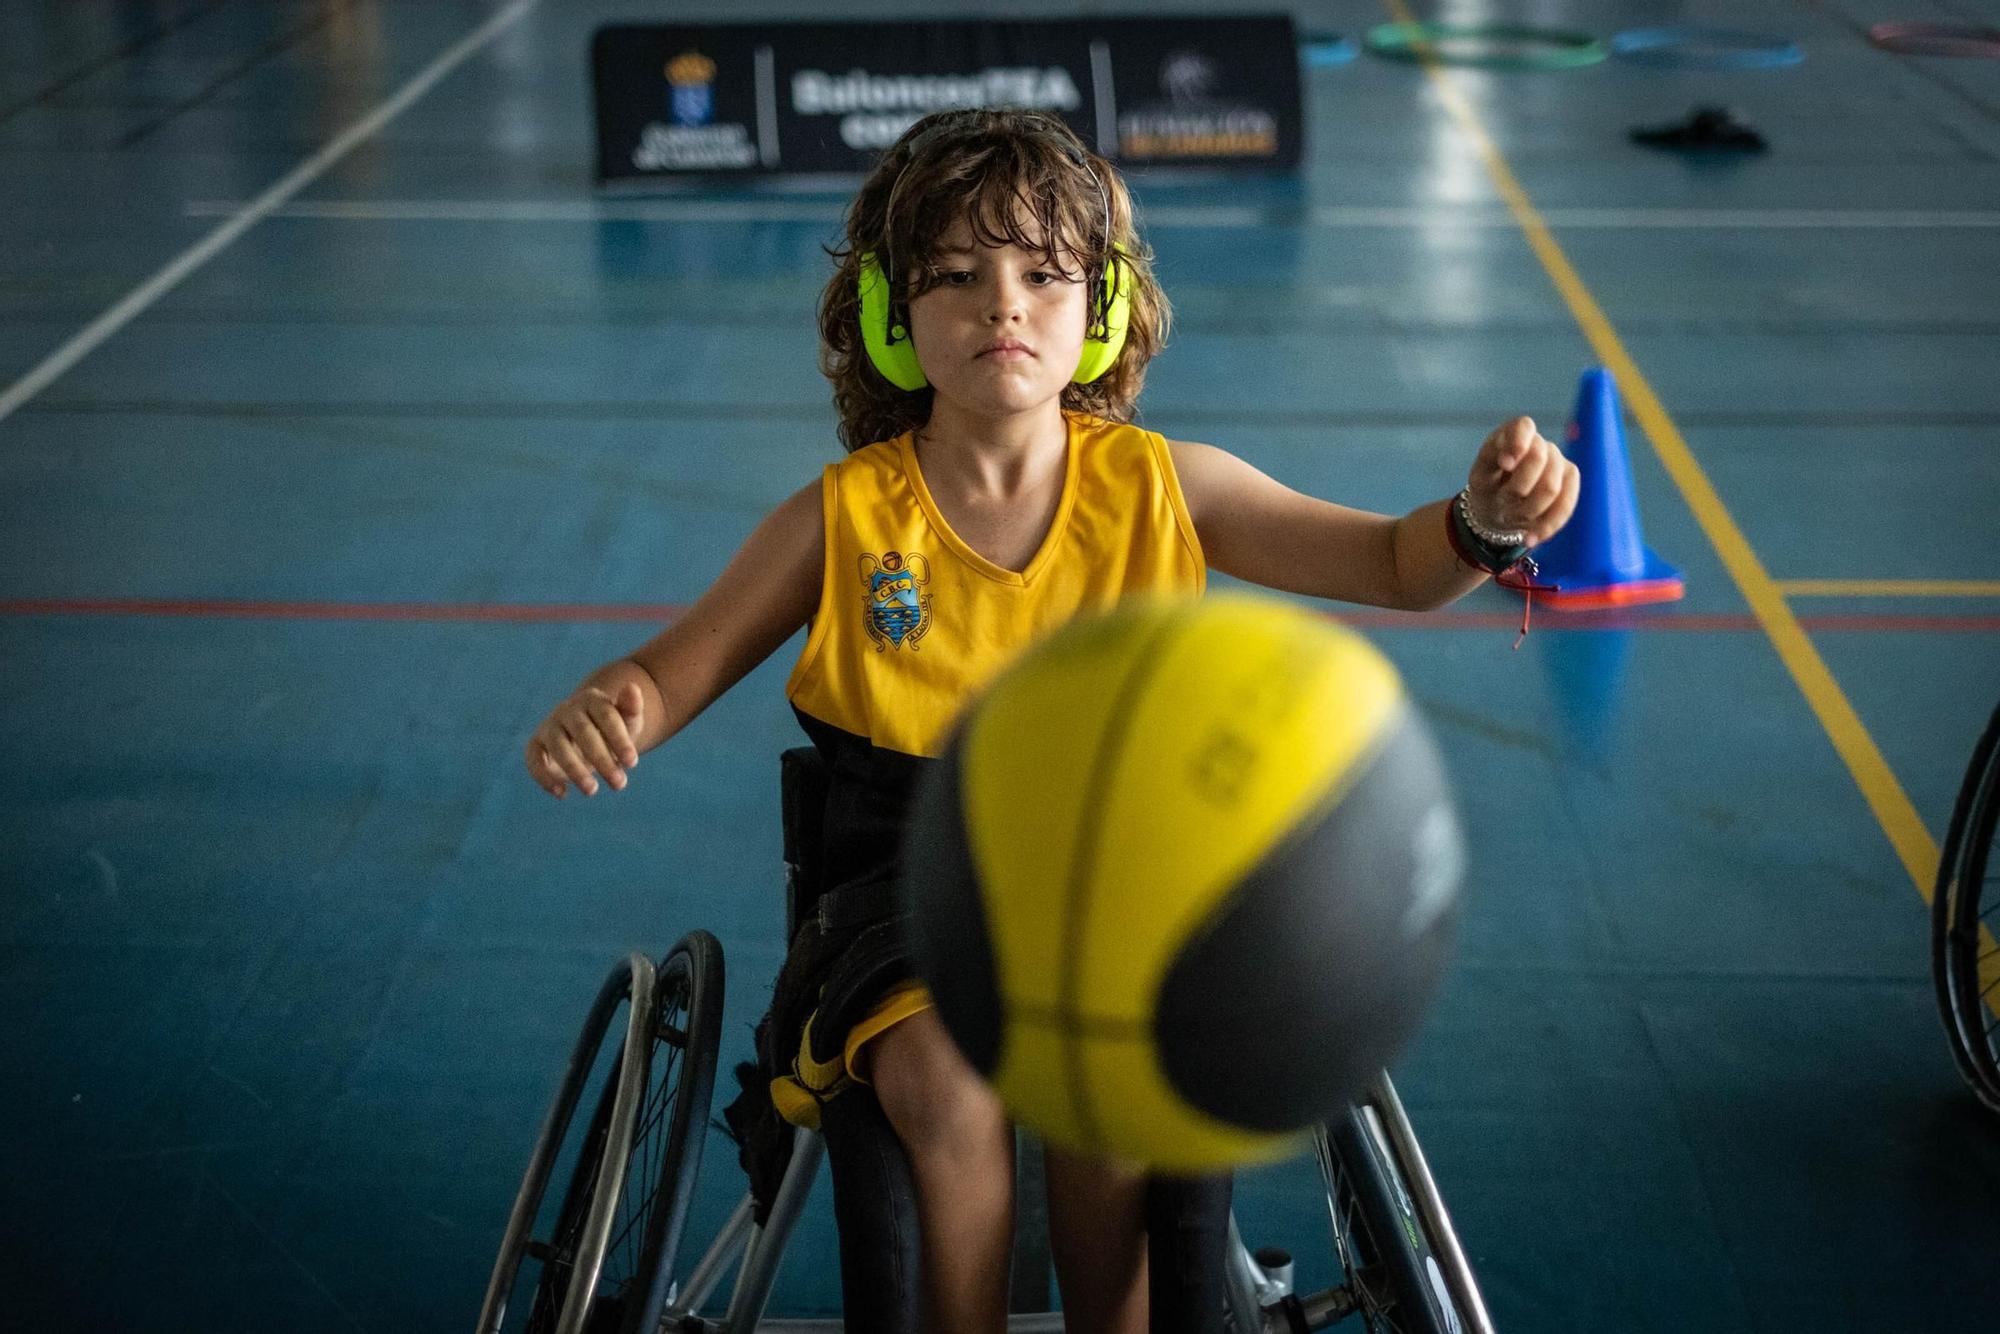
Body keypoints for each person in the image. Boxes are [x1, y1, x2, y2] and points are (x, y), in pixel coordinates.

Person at [525, 107, 1578, 1334]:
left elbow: (1395, 565)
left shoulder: (1166, 486)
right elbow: (671, 669)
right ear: (889, 319)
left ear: (1106, 311)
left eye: (1039, 273)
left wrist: (1484, 521)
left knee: (1108, 1091)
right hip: (907, 887)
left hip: (1123, 883)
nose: (1001, 306)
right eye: (957, 277)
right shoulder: (844, 516)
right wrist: (611, 712)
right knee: (947, 1076)